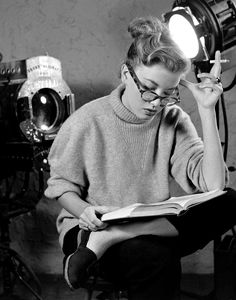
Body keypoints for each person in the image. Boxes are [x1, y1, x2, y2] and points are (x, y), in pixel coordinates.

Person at [44, 16, 236, 300]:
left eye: (168, 93)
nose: (156, 102)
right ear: (126, 73)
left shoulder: (172, 118)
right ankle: (106, 237)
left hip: (151, 225)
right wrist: (85, 211)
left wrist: (206, 110)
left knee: (229, 201)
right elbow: (60, 187)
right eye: (148, 88)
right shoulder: (87, 120)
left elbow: (213, 186)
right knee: (157, 254)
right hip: (90, 229)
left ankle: (118, 235)